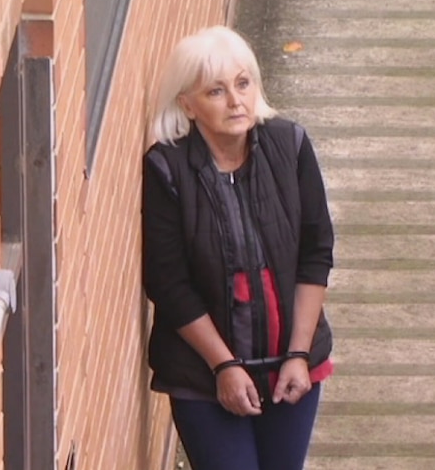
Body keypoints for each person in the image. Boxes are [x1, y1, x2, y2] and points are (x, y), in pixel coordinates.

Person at [141, 25, 335, 470]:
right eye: (216, 91)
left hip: (292, 364)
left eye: (243, 84)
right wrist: (224, 367)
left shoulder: (291, 144)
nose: (235, 101)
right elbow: (167, 283)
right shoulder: (166, 169)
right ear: (186, 104)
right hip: (202, 374)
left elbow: (316, 252)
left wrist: (300, 354)